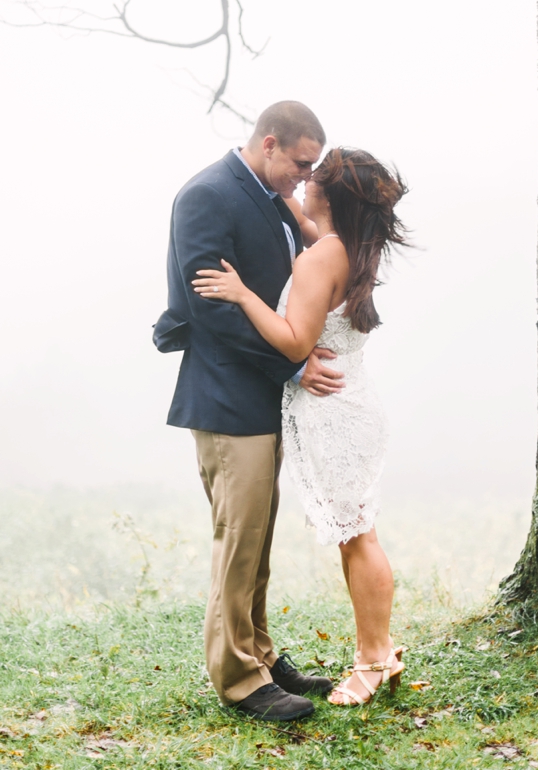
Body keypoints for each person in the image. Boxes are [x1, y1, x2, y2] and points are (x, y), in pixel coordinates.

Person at [192, 147, 410, 707]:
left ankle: (373, 660)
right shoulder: (353, 245)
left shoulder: (319, 258)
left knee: (357, 539)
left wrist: (241, 293)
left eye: (315, 176)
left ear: (329, 196)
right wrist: (277, 185)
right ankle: (381, 653)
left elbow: (292, 342)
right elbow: (303, 214)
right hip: (352, 404)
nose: (304, 181)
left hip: (335, 414)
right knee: (361, 533)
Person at [153, 101, 346, 723]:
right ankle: (238, 680)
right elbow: (211, 311)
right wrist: (290, 365)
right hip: (226, 395)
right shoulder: (206, 195)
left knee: (256, 537)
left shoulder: (270, 195)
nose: (304, 175)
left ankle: (259, 653)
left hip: (261, 398)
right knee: (237, 541)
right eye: (300, 161)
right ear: (269, 143)